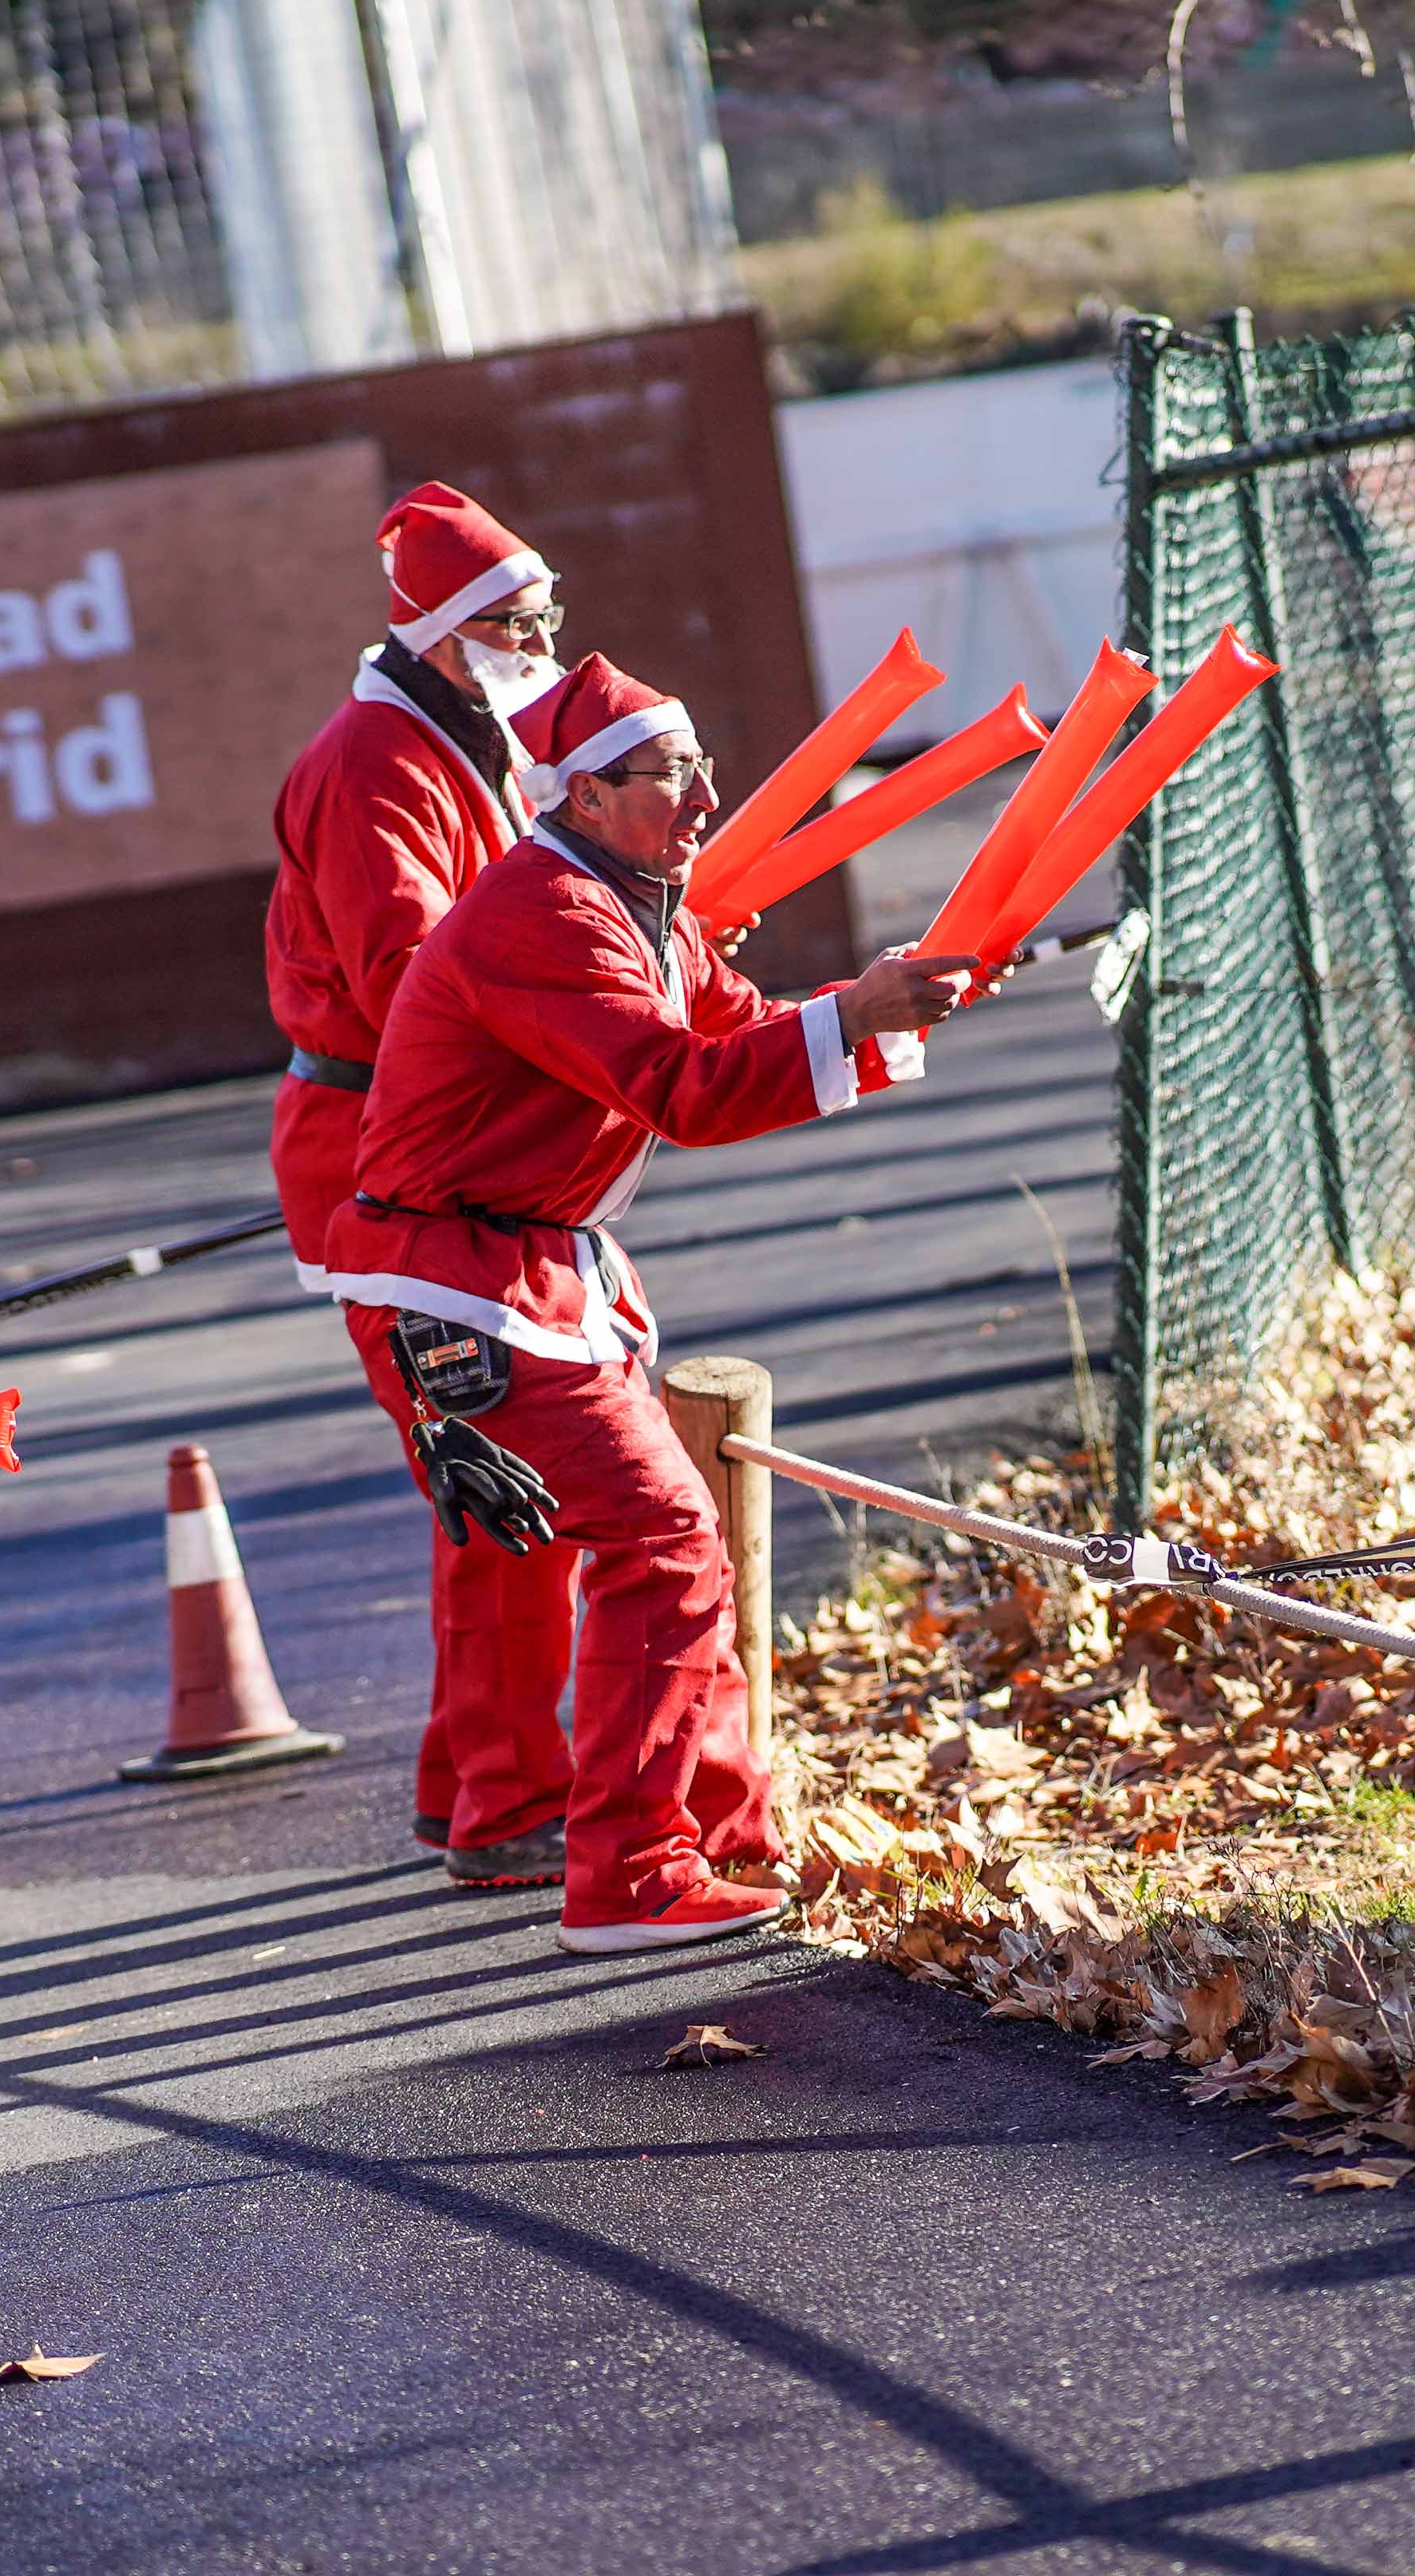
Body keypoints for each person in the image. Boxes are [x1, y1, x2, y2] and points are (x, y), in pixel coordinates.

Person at [325, 658, 983, 1952]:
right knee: (667, 1548)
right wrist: (853, 1014)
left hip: (525, 1275)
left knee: (672, 1548)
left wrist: (880, 1007)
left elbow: (736, 1029)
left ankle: (728, 1833)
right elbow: (680, 1088)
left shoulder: (640, 903)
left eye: (698, 766)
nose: (705, 795)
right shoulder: (547, 912)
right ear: (581, 795)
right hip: (462, 1292)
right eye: (671, 774)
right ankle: (627, 1877)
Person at [263, 482, 582, 1889]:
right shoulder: (375, 767)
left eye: (546, 620)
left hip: (425, 1142)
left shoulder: (459, 740)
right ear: (445, 634)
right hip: (392, 1156)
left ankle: (475, 1789)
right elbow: (416, 983)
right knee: (502, 1470)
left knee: (493, 1468)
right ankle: (509, 1803)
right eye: (519, 624)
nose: (541, 643)